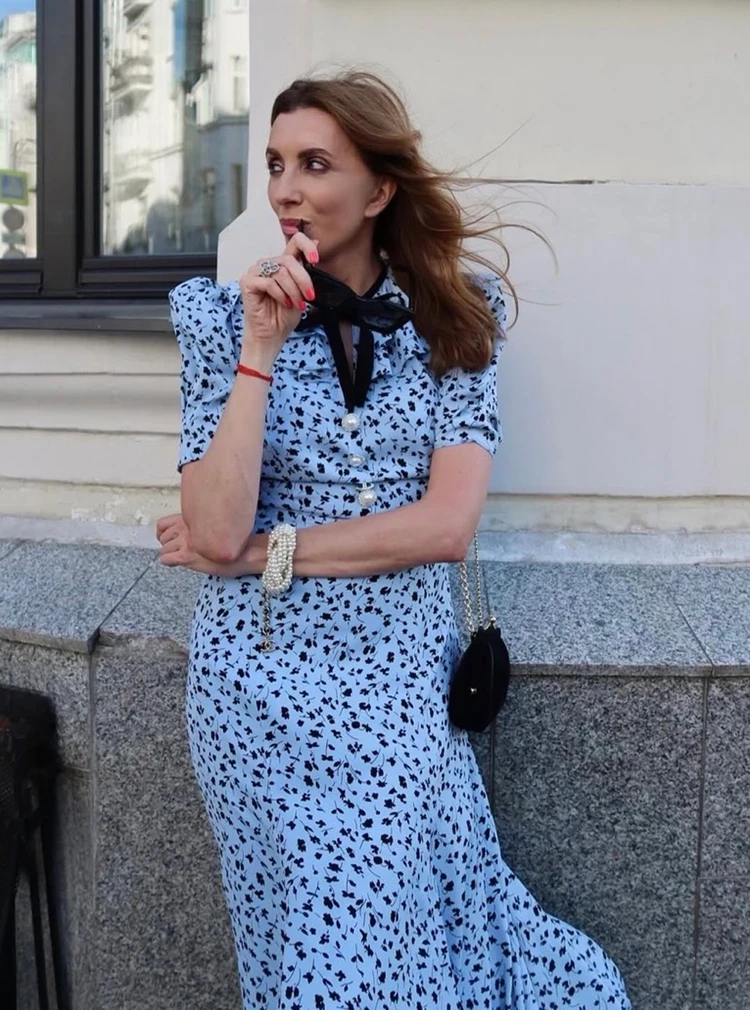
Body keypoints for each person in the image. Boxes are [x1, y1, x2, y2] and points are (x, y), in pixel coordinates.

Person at [156, 70, 632, 1010]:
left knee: (389, 941)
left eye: (315, 164)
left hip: (395, 686)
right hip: (254, 692)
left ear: (379, 189)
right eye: (276, 165)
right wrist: (260, 350)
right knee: (301, 951)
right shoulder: (220, 319)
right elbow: (212, 524)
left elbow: (446, 525)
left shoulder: (456, 317)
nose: (286, 189)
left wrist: (264, 553)